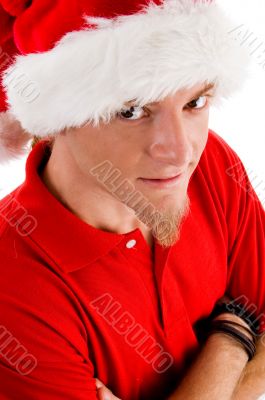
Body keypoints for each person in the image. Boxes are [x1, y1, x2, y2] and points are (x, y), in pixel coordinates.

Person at [0, 1, 264, 399]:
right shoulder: (12, 286)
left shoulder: (210, 164)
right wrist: (231, 338)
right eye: (133, 110)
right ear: (58, 118)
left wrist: (221, 359)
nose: (180, 152)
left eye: (195, 103)